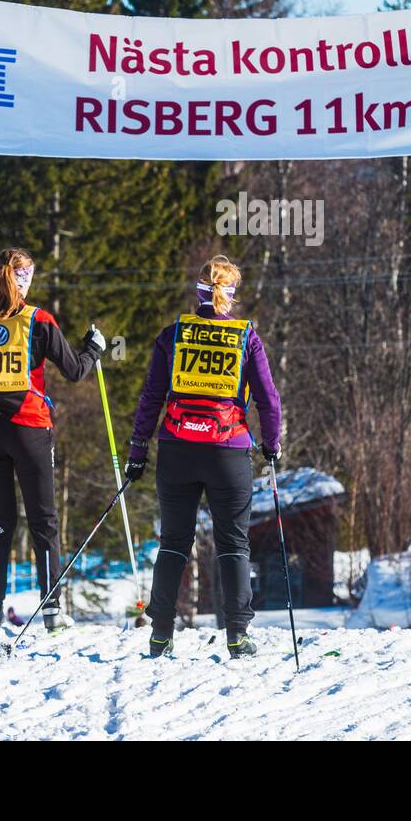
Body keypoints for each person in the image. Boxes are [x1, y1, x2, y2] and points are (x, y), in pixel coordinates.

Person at [125, 255, 281, 660]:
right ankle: (237, 635)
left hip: (177, 448)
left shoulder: (174, 333)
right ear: (232, 294)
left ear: (198, 291)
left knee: (174, 543)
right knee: (233, 544)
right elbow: (268, 401)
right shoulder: (247, 337)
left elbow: (151, 397)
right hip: (227, 452)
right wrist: (272, 445)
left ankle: (160, 633)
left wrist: (138, 450)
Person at [0, 246, 104, 633]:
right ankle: (51, 608)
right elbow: (73, 370)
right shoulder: (37, 320)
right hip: (29, 428)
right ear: (25, 280)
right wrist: (94, 350)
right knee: (43, 520)